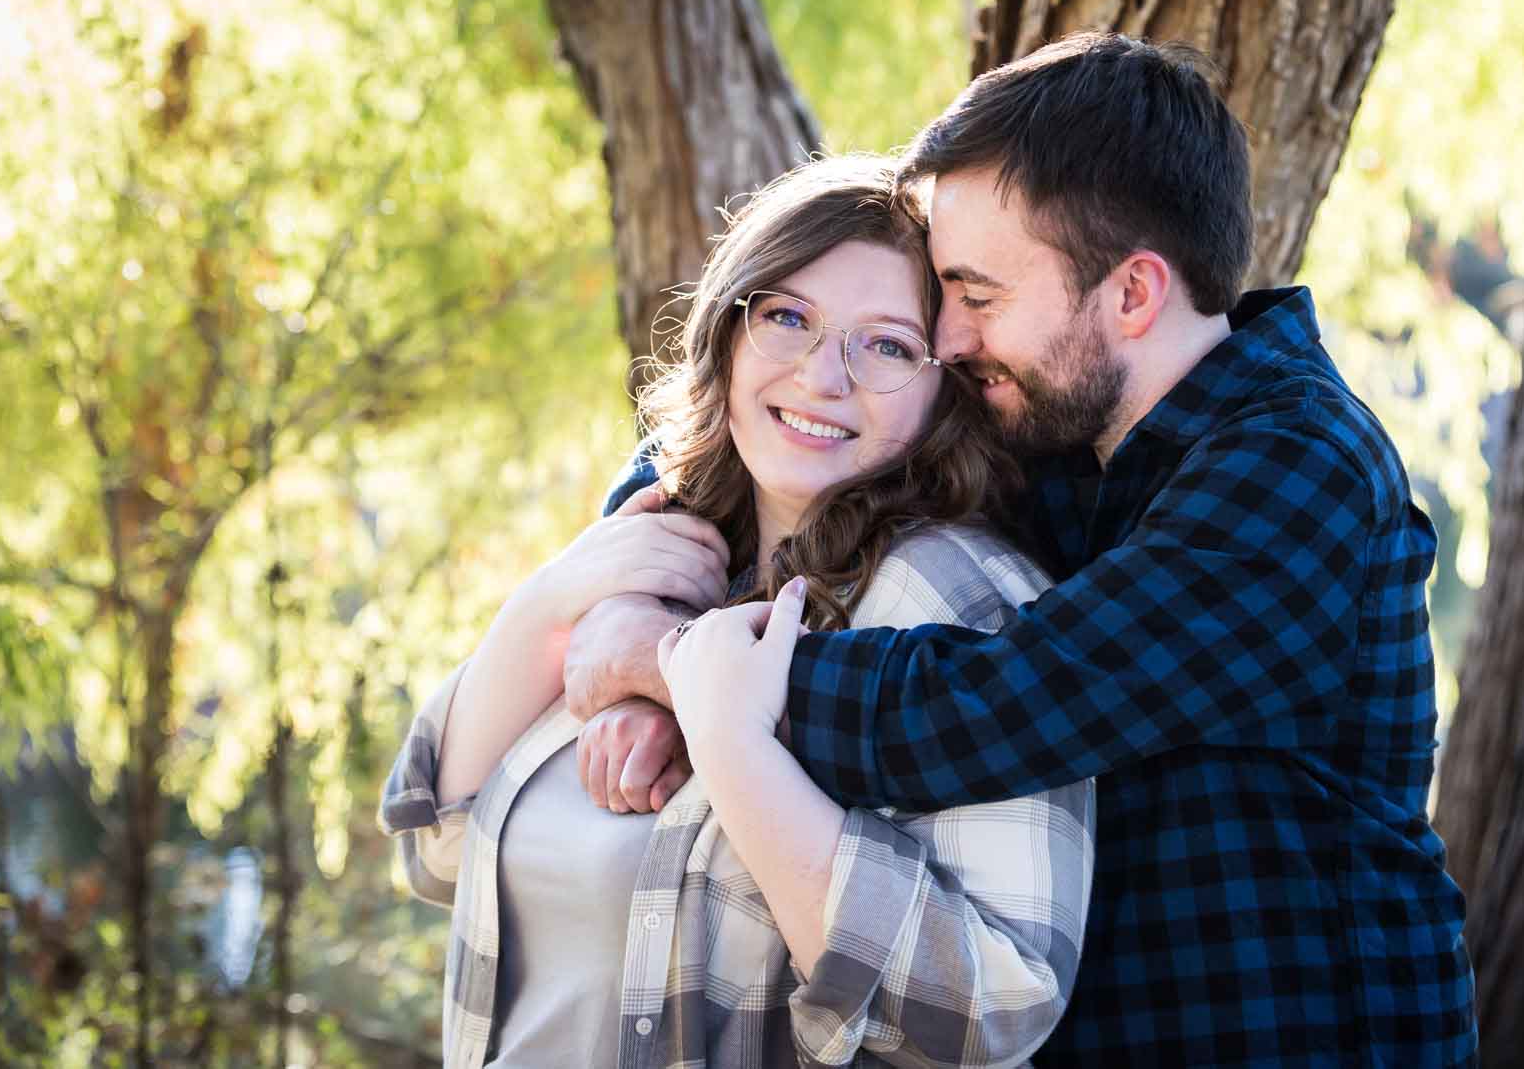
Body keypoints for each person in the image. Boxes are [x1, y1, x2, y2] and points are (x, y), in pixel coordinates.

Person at [571, 34, 1480, 1066]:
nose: (947, 336)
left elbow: (984, 709)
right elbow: (761, 443)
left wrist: (678, 667)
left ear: (1131, 295)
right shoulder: (1049, 424)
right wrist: (638, 588)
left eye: (978, 294)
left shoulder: (1296, 470)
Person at [379, 156, 1096, 1069]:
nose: (822, 375)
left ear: (944, 385)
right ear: (726, 332)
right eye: (787, 317)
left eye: (884, 344)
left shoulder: (953, 597)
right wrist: (548, 602)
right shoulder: (661, 556)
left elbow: (997, 1007)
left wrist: (729, 741)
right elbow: (438, 851)